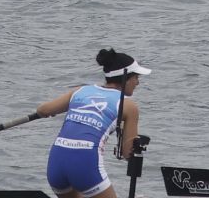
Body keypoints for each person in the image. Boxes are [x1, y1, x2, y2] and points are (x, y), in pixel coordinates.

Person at [34, 48, 149, 198]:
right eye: (136, 78)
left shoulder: (81, 91)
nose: (138, 83)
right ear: (126, 78)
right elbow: (127, 153)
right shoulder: (128, 106)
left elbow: (43, 110)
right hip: (85, 164)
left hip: (56, 163)